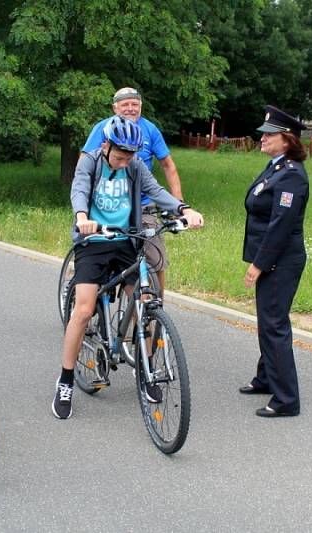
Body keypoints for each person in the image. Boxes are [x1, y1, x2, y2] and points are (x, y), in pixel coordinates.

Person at [53, 116, 204, 420]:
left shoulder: (135, 167)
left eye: (130, 157)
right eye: (120, 156)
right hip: (93, 240)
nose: (125, 163)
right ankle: (65, 381)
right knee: (83, 310)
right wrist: (83, 217)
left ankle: (146, 373)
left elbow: (156, 190)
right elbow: (79, 190)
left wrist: (183, 209)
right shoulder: (91, 163)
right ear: (106, 146)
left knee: (146, 302)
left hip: (126, 241)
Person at [239, 105, 309, 418]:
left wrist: (258, 264)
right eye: (263, 134)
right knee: (268, 321)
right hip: (272, 259)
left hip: (281, 260)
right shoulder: (276, 167)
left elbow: (280, 226)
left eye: (270, 135)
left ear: (287, 139)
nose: (262, 139)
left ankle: (286, 400)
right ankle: (266, 378)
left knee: (274, 325)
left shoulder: (292, 176)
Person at [82, 87, 183, 296]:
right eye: (125, 104)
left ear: (141, 106)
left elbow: (168, 165)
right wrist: (85, 207)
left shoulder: (150, 130)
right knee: (94, 255)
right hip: (108, 202)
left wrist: (179, 204)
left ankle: (152, 310)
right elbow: (84, 165)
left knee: (156, 259)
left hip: (143, 205)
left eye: (134, 104)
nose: (130, 108)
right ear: (115, 107)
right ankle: (82, 291)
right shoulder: (103, 128)